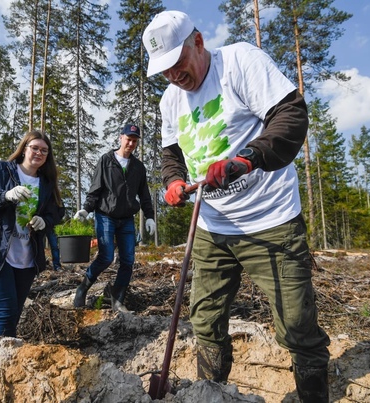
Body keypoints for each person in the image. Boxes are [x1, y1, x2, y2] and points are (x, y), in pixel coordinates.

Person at [143, 10, 330, 402]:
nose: (174, 76)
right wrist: (173, 181)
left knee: (297, 324)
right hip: (211, 226)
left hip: (271, 219)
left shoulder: (240, 62)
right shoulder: (169, 101)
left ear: (198, 41)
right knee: (205, 321)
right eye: (164, 71)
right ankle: (210, 394)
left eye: (177, 64)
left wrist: (247, 158)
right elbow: (172, 153)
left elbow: (290, 114)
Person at [0, 130, 64, 337]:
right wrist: (6, 195)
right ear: (24, 149)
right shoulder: (3, 170)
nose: (39, 153)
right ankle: (0, 361)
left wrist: (44, 220)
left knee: (15, 314)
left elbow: (56, 212)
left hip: (26, 259)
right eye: (34, 148)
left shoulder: (46, 183)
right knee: (5, 313)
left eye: (44, 151)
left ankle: (2, 353)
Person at [73, 123, 156, 312]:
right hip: (105, 216)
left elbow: (144, 195)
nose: (131, 143)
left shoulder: (138, 167)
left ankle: (117, 299)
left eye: (135, 141)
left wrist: (149, 216)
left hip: (127, 219)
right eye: (128, 139)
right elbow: (95, 188)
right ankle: (83, 288)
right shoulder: (106, 161)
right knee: (106, 256)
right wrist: (86, 209)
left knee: (128, 260)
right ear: (121, 138)